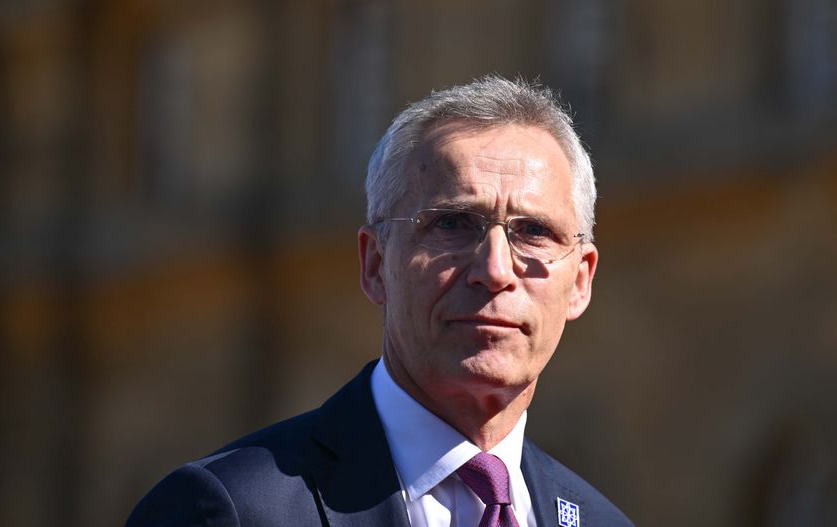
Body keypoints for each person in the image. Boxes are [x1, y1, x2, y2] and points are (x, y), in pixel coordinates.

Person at [125, 76, 633, 527]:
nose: (495, 270)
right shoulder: (230, 509)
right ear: (375, 264)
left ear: (580, 280)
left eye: (534, 231)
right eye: (453, 224)